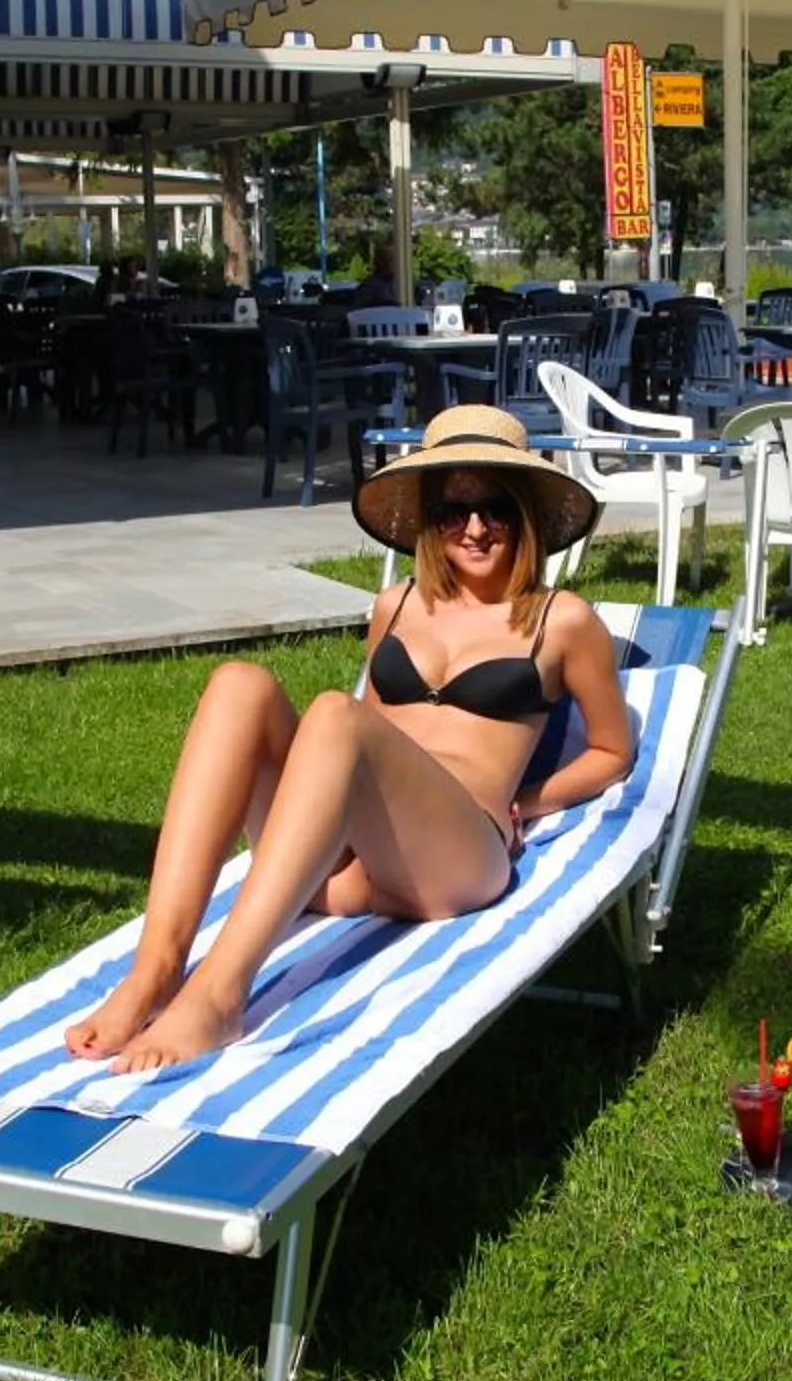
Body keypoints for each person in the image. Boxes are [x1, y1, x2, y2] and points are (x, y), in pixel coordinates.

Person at [64, 406, 634, 1072]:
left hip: (454, 859)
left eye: (496, 509)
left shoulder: (562, 620)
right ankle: (156, 968)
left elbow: (612, 752)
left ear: (526, 514)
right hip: (352, 866)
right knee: (238, 684)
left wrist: (526, 803)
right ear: (430, 519)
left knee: (335, 714)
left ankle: (219, 995)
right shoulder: (396, 606)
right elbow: (366, 745)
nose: (476, 528)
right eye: (454, 510)